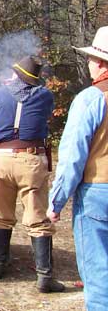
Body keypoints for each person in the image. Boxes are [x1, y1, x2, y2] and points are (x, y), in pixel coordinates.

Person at [0, 55, 64, 293]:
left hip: (1, 158)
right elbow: (35, 103)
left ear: (17, 76)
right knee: (37, 218)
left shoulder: (0, 93)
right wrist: (11, 82)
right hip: (30, 159)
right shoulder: (45, 95)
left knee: (1, 213)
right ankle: (44, 276)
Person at [48, 26, 108, 310]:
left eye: (91, 59)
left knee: (99, 280)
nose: (89, 63)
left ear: (101, 63)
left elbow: (73, 156)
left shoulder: (90, 98)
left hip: (98, 194)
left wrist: (56, 201)